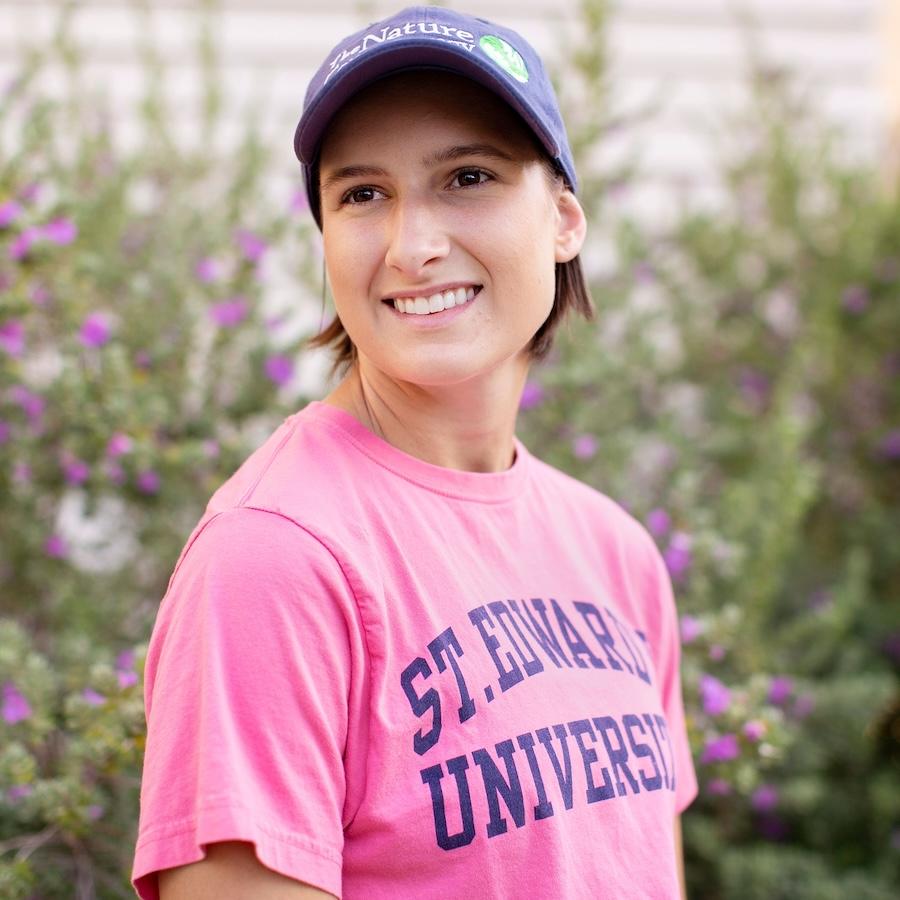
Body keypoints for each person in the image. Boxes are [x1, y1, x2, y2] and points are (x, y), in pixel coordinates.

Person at [131, 6, 697, 899]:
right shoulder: (274, 560)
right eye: (362, 195)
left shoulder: (617, 554)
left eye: (467, 176)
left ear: (563, 219)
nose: (413, 246)